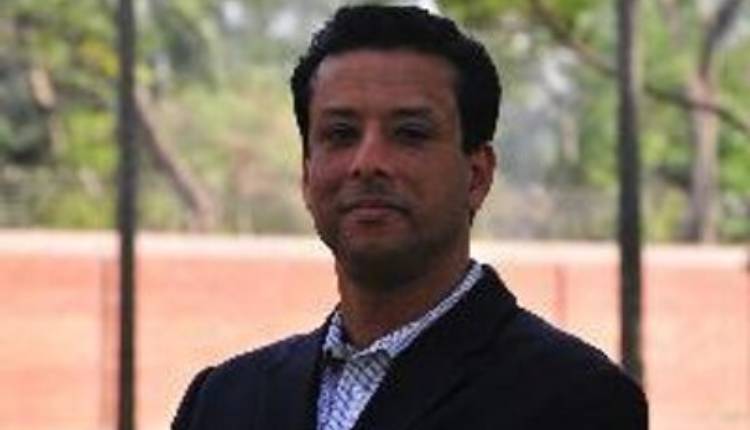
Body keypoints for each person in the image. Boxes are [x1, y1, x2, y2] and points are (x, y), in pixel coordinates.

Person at [172, 5, 648, 430]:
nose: (367, 162)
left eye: (410, 134)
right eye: (341, 134)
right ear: (306, 174)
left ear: (477, 175)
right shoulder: (222, 401)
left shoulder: (576, 401)